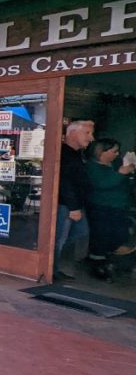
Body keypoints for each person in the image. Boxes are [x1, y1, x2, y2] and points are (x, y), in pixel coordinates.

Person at [54, 119, 95, 280]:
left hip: (75, 204)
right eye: (87, 133)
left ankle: (54, 266)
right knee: (59, 238)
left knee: (80, 232)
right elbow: (64, 182)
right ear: (72, 133)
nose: (91, 138)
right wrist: (73, 207)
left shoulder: (77, 154)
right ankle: (51, 270)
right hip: (66, 205)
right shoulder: (64, 153)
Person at [85, 138, 135, 257]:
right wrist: (121, 174)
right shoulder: (91, 167)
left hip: (119, 205)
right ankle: (98, 259)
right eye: (114, 151)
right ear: (101, 152)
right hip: (102, 207)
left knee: (119, 232)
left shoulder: (116, 163)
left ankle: (113, 254)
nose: (117, 154)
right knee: (101, 234)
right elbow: (101, 184)